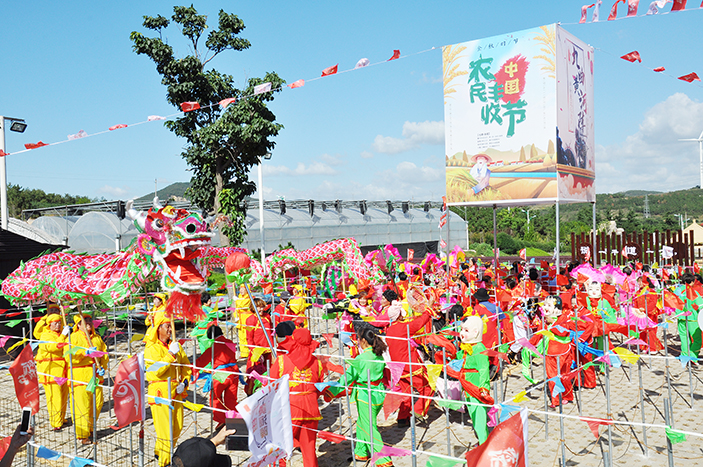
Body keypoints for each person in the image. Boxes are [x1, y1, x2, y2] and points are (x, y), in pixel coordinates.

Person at [328, 326, 392, 467]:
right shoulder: (379, 355)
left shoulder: (361, 358)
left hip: (365, 395)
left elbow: (347, 378)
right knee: (362, 423)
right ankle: (361, 452)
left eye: (358, 339)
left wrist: (331, 391)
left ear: (363, 340)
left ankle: (384, 460)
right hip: (378, 393)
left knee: (369, 428)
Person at [269, 328, 325, 467]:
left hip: (290, 409)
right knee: (309, 449)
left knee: (281, 445)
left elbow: (272, 386)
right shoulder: (317, 363)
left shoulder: (282, 361)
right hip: (311, 409)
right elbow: (319, 387)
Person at [144, 312, 192, 466]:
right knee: (165, 431)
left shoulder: (176, 345)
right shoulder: (151, 348)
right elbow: (155, 371)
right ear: (158, 328)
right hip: (160, 393)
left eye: (171, 326)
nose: (170, 329)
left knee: (177, 426)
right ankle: (164, 462)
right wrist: (170, 354)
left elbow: (186, 368)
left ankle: (160, 452)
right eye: (167, 326)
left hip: (176, 391)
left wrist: (184, 383)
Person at [385, 294, 433, 427]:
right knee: (427, 388)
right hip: (410, 365)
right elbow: (418, 324)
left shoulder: (390, 330)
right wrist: (428, 310)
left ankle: (402, 418)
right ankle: (418, 411)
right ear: (400, 315)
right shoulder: (403, 327)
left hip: (397, 367)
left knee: (406, 392)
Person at [64, 313, 108, 444]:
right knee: (82, 406)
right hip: (80, 376)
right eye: (84, 320)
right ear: (78, 325)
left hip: (95, 376)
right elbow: (68, 355)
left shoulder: (97, 338)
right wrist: (84, 353)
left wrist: (102, 367)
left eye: (89, 319)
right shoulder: (72, 337)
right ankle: (83, 435)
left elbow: (104, 354)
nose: (88, 322)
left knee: (97, 403)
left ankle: (90, 428)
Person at [456, 316, 492, 444]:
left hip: (476, 386)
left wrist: (483, 387)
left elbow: (484, 369)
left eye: (466, 330)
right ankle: (482, 440)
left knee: (479, 416)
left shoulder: (479, 348)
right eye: (461, 329)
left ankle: (484, 443)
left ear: (475, 332)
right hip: (467, 384)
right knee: (473, 414)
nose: (461, 333)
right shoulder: (467, 346)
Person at [195, 326, 239, 430]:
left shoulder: (215, 346)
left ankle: (222, 420)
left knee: (215, 398)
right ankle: (232, 419)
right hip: (234, 373)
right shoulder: (230, 343)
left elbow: (202, 361)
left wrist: (191, 367)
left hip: (221, 375)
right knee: (231, 399)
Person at [37, 313, 70, 430]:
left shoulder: (62, 335)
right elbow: (53, 347)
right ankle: (56, 422)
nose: (58, 325)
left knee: (63, 396)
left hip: (63, 370)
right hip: (51, 370)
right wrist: (63, 335)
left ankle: (61, 417)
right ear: (49, 324)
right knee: (54, 397)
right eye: (55, 323)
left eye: (59, 323)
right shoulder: (45, 335)